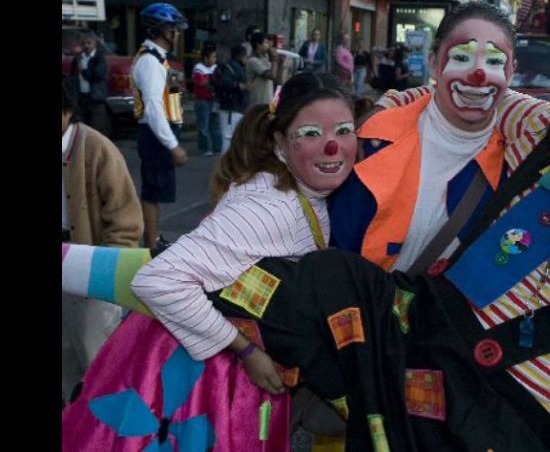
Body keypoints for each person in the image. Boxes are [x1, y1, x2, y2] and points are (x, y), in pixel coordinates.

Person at [63, 35, 550, 451]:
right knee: (313, 277)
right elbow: (469, 89)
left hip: (482, 417)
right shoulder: (545, 132)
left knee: (232, 308)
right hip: (417, 325)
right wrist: (389, 106)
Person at [61, 72, 358, 451]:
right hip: (205, 384)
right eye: (311, 133)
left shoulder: (295, 189)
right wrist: (245, 349)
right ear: (280, 142)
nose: (332, 146)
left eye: (344, 130)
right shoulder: (272, 209)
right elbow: (158, 280)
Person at [329, 1, 550, 274]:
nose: (479, 74)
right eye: (461, 58)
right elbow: (335, 248)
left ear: (511, 72)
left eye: (495, 62)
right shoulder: (374, 138)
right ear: (434, 62)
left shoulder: (518, 158)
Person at [61, 78, 143, 406]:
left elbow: (126, 222)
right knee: (66, 359)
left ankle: (105, 426)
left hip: (90, 266)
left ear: (67, 112)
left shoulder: (97, 149)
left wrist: (104, 274)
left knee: (95, 358)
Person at [131, 2, 189, 250]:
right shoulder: (150, 62)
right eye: (175, 29)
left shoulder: (159, 59)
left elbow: (165, 99)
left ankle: (153, 239)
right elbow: (153, 108)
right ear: (165, 31)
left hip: (159, 133)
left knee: (157, 191)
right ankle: (151, 246)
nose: (178, 34)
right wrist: (172, 145)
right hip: (155, 136)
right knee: (152, 193)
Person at [70, 31, 110, 135]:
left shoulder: (99, 58)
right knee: (81, 129)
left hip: (95, 99)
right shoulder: (78, 58)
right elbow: (72, 76)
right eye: (84, 43)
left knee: (96, 130)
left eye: (89, 43)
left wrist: (83, 70)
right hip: (81, 98)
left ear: (94, 44)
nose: (86, 46)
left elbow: (98, 76)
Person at [217, 45, 251, 153]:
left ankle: (230, 161)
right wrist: (239, 86)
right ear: (241, 56)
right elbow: (225, 83)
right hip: (231, 107)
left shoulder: (236, 67)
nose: (247, 59)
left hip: (236, 107)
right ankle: (225, 161)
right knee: (228, 137)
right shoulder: (230, 68)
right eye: (246, 56)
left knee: (232, 137)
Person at [192, 44, 222, 156]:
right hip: (202, 101)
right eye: (213, 57)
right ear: (205, 58)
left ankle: (217, 147)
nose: (215, 59)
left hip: (214, 100)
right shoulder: (198, 68)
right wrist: (212, 78)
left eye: (215, 57)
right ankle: (205, 148)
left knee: (215, 124)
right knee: (203, 125)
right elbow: (201, 82)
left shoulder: (215, 68)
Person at [246, 32, 277, 107]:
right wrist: (274, 59)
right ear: (258, 45)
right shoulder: (253, 61)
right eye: (266, 43)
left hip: (270, 101)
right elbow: (272, 76)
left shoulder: (266, 57)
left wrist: (280, 62)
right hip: (259, 103)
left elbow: (276, 76)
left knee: (273, 114)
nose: (268, 45)